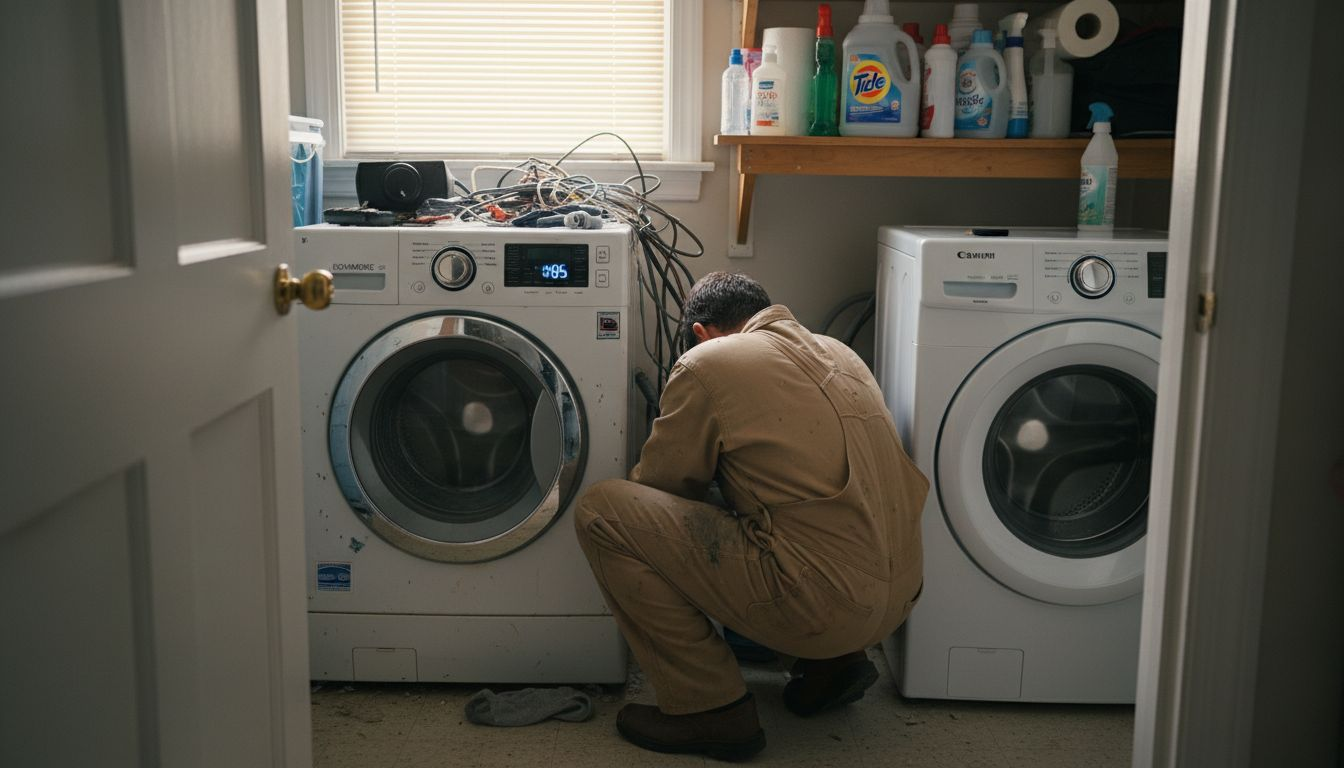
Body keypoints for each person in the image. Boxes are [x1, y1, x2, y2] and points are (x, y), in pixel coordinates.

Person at [573, 271, 927, 760]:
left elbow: (663, 487)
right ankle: (831, 666)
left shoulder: (707, 361)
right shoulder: (839, 353)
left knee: (605, 511)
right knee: (778, 515)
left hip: (826, 604)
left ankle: (710, 710)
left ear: (700, 332)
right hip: (896, 603)